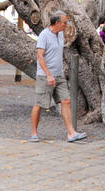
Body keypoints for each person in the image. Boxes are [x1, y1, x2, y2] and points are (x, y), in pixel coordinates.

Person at [30, 11, 87, 143]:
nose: (66, 25)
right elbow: (40, 56)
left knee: (66, 101)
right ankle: (34, 133)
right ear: (57, 23)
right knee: (39, 104)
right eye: (64, 23)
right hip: (45, 76)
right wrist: (49, 75)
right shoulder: (44, 35)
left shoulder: (60, 34)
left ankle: (71, 133)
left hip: (59, 75)